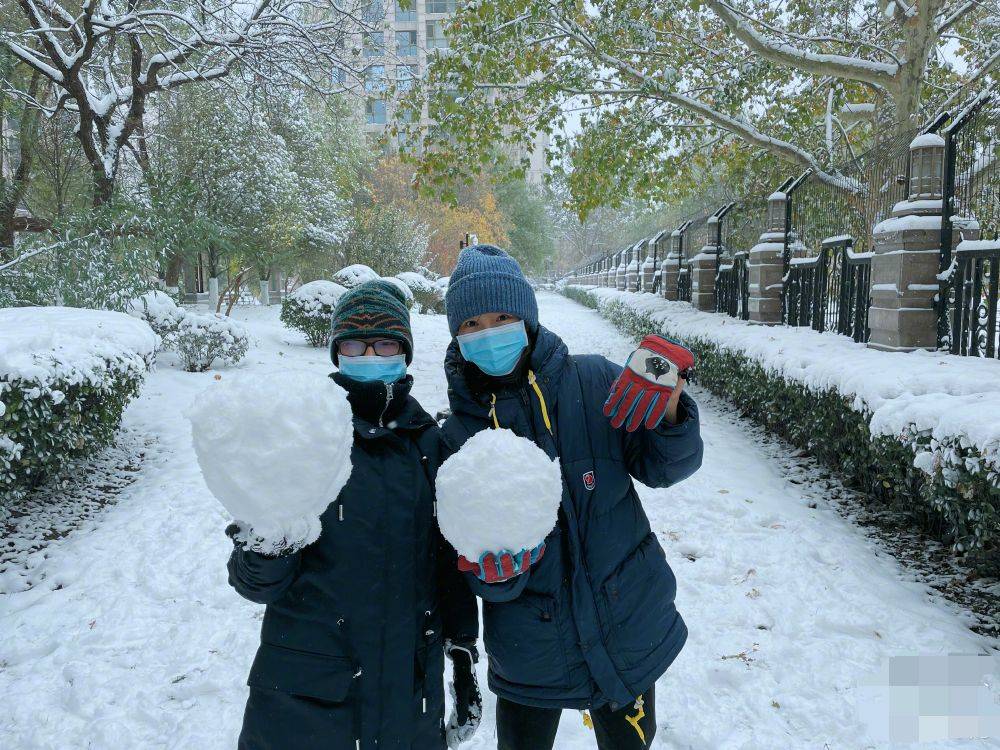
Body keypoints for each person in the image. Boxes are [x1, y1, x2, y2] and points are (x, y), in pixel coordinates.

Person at [439, 245, 704, 750]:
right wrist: (493, 578)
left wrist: (671, 405)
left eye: (503, 317)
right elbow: (469, 565)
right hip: (528, 652)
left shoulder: (596, 382)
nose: (489, 332)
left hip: (625, 628)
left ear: (528, 318)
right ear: (456, 334)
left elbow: (667, 467)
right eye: (472, 323)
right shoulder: (456, 438)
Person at [227, 280, 480, 750]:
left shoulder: (431, 444)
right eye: (354, 344)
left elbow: (449, 565)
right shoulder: (301, 438)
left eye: (384, 342)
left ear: (404, 351)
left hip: (410, 694)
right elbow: (255, 584)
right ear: (336, 352)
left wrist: (463, 651)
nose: (370, 354)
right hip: (308, 698)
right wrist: (265, 545)